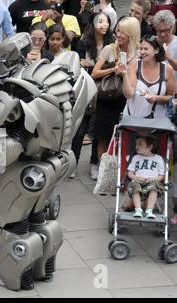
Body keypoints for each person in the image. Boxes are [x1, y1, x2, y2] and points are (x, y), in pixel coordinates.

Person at [91, 16, 140, 165]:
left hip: (127, 100)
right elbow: (94, 73)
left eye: (123, 32)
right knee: (103, 137)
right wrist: (113, 69)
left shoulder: (139, 53)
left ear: (132, 33)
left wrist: (126, 73)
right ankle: (102, 172)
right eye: (118, 30)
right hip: (107, 99)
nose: (119, 34)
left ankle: (120, 172)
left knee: (125, 138)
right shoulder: (109, 49)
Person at [75, 12, 115, 180]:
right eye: (100, 21)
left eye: (106, 21)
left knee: (99, 130)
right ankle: (73, 163)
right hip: (86, 90)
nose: (104, 24)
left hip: (105, 92)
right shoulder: (83, 42)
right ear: (93, 24)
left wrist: (95, 69)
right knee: (79, 130)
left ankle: (94, 163)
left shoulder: (112, 43)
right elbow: (80, 67)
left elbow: (108, 67)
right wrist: (101, 68)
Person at [120, 35, 175, 118]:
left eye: (146, 49)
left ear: (156, 50)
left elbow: (172, 98)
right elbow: (128, 94)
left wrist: (157, 98)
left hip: (157, 121)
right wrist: (124, 75)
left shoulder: (167, 69)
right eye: (141, 49)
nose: (142, 52)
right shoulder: (135, 64)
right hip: (132, 119)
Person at [127, 132, 165, 219]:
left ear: (150, 147)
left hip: (152, 181)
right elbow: (130, 172)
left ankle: (149, 210)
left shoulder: (158, 159)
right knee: (134, 186)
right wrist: (136, 177)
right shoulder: (135, 158)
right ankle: (138, 209)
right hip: (138, 181)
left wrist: (154, 179)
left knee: (154, 188)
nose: (136, 146)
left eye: (140, 144)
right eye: (136, 143)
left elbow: (162, 175)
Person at [153, 10, 177, 89]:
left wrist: (169, 58)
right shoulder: (152, 42)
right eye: (159, 31)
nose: (162, 34)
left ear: (172, 27)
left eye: (166, 30)